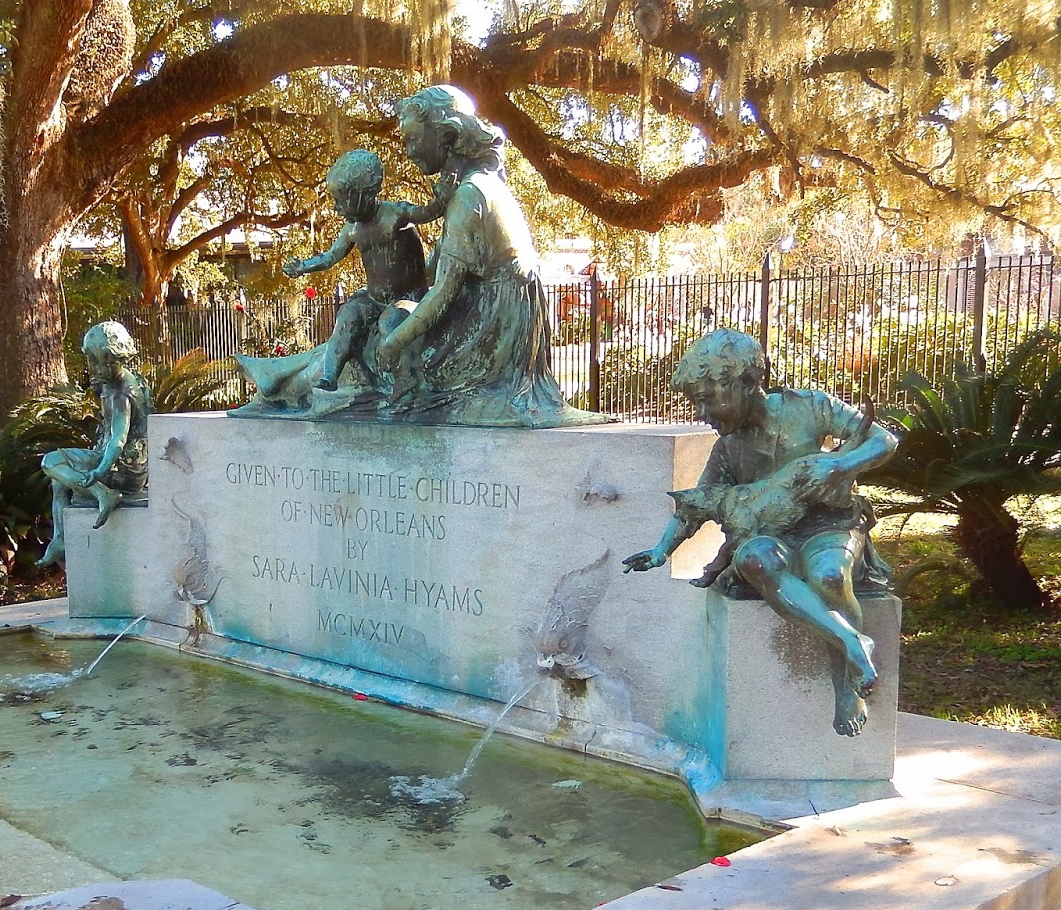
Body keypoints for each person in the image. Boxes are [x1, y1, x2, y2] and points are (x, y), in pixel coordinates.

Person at [621, 329, 898, 737]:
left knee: (829, 576)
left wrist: (839, 465)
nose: (702, 413)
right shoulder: (727, 449)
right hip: (771, 536)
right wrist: (662, 550)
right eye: (696, 402)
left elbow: (883, 440)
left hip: (829, 525)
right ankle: (853, 641)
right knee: (754, 559)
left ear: (748, 383)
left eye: (708, 399)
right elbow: (696, 503)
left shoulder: (810, 407)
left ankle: (846, 687)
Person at [373, 85, 603, 427]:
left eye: (413, 139)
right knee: (394, 319)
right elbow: (434, 276)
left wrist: (391, 344)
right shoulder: (478, 185)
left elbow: (442, 293)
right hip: (495, 315)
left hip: (492, 327)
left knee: (390, 335)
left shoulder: (470, 196)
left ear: (447, 135)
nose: (408, 151)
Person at [280, 149, 446, 391]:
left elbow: (428, 213)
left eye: (341, 200)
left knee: (390, 323)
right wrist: (304, 266)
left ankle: (405, 379)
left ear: (364, 194)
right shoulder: (352, 229)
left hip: (408, 298)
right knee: (347, 316)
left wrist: (441, 197)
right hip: (373, 299)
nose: (336, 208)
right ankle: (329, 375)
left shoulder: (395, 214)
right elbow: (330, 257)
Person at [35, 321, 152, 569]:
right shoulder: (114, 383)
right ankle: (61, 538)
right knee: (60, 480)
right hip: (118, 460)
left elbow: (118, 439)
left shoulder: (120, 393)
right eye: (93, 362)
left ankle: (103, 493)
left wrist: (99, 472)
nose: (96, 369)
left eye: (103, 363)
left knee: (51, 462)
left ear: (118, 359)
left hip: (123, 468)